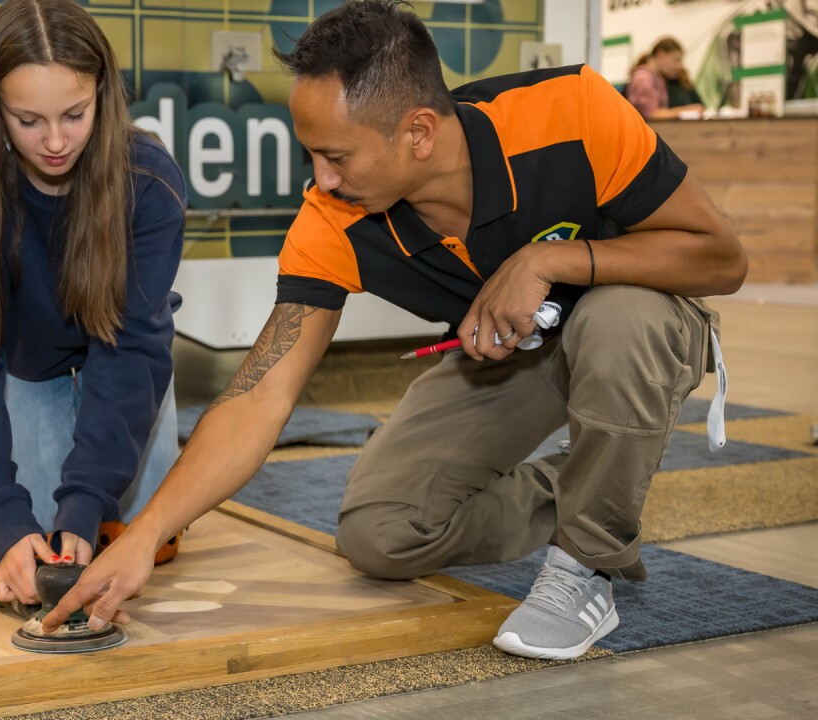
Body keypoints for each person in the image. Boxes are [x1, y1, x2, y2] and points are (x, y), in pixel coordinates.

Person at [43, 0, 747, 661]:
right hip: (514, 358)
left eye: (338, 157)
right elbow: (258, 395)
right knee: (379, 533)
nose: (321, 180)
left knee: (619, 318)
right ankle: (588, 474)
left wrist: (550, 259)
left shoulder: (573, 111)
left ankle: (586, 564)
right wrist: (143, 537)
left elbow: (723, 258)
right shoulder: (331, 220)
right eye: (310, 154)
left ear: (418, 132)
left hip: (642, 323)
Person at [0, 0, 187, 607]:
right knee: (26, 546)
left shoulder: (149, 183)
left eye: (75, 113)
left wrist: (89, 499)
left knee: (143, 540)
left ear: (103, 96)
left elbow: (134, 349)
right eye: (29, 120)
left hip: (121, 361)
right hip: (27, 370)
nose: (57, 141)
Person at [628, 37, 705, 119]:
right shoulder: (643, 78)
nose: (679, 66)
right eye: (675, 59)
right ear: (661, 54)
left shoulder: (656, 77)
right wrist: (688, 110)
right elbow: (651, 115)